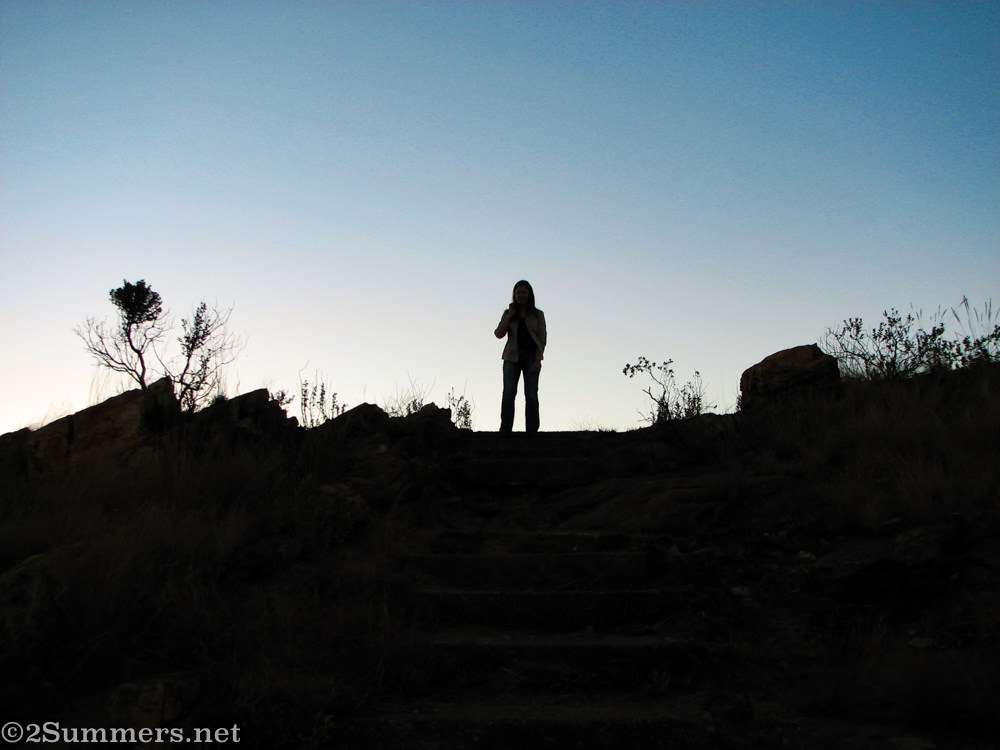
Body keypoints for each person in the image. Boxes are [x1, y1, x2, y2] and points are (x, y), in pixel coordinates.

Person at [494, 280, 547, 433]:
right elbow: (499, 334)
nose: (521, 295)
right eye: (518, 292)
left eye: (524, 292)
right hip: (512, 357)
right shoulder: (508, 314)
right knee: (509, 393)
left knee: (531, 394)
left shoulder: (538, 314)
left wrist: (538, 359)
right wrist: (510, 315)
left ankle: (531, 431)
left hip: (531, 357)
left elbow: (542, 339)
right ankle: (505, 429)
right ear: (514, 295)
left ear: (529, 294)